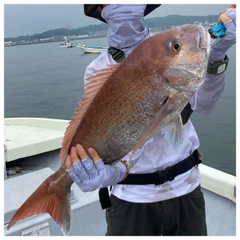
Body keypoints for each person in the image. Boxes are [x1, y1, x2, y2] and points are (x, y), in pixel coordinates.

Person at [65, 4, 236, 236]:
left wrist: (216, 57)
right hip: (130, 199)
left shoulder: (175, 48)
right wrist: (105, 173)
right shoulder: (97, 69)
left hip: (187, 189)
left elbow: (205, 106)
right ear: (99, 9)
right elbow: (105, 131)